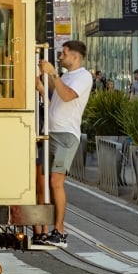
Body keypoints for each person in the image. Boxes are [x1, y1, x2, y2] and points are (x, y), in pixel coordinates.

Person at [35, 40, 93, 247]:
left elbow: (67, 96)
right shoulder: (67, 76)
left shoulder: (84, 76)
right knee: (42, 183)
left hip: (67, 136)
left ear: (75, 56)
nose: (60, 57)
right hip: (50, 133)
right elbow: (57, 96)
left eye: (64, 53)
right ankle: (41, 229)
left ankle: (59, 230)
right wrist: (43, 85)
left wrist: (52, 74)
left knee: (55, 182)